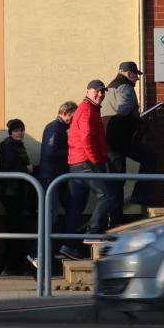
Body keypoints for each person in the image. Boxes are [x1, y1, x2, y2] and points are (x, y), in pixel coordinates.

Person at [61, 80, 114, 258]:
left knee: (77, 205)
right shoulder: (87, 110)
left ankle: (67, 245)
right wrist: (96, 160)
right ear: (88, 91)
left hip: (77, 163)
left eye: (102, 92)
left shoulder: (89, 109)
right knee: (107, 196)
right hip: (86, 162)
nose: (100, 94)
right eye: (96, 91)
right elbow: (86, 138)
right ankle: (93, 232)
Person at [101, 60, 160, 211]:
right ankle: (140, 195)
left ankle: (114, 217)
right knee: (150, 158)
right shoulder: (125, 87)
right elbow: (124, 110)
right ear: (128, 74)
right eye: (135, 75)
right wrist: (138, 123)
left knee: (117, 178)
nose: (137, 78)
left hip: (106, 138)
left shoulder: (109, 87)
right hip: (119, 136)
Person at [32, 101, 76, 269]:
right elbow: (50, 153)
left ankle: (66, 245)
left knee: (71, 207)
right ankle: (35, 253)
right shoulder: (54, 128)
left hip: (58, 177)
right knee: (49, 216)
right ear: (65, 113)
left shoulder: (58, 129)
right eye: (72, 117)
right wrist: (71, 149)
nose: (73, 121)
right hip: (51, 178)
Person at [0, 119, 35, 276]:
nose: (19, 133)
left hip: (14, 191)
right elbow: (8, 169)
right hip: (11, 192)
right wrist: (26, 170)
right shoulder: (9, 147)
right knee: (16, 229)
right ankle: (11, 266)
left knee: (16, 228)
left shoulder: (15, 146)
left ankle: (9, 265)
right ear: (10, 132)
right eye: (16, 130)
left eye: (21, 130)